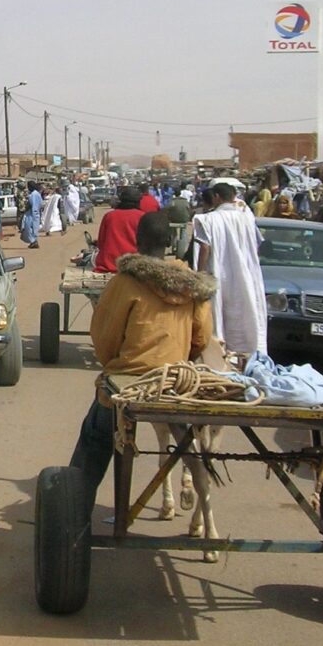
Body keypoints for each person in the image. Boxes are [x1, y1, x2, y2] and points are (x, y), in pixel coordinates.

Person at [67, 212, 216, 499]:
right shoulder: (192, 285)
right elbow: (202, 337)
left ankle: (76, 506)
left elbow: (104, 336)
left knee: (95, 436)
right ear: (171, 241)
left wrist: (115, 365)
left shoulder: (125, 281)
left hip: (130, 380)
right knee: (185, 436)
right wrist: (178, 357)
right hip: (175, 381)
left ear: (137, 241)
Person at [192, 181, 267, 356]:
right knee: (245, 310)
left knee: (218, 314)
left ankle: (221, 355)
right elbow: (257, 243)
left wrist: (200, 275)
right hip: (246, 274)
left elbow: (205, 248)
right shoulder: (247, 218)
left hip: (219, 274)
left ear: (216, 197)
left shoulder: (208, 219)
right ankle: (246, 354)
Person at [93, 187, 146, 274]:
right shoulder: (143, 217)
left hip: (109, 265)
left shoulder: (109, 216)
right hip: (135, 265)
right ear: (138, 201)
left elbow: (101, 243)